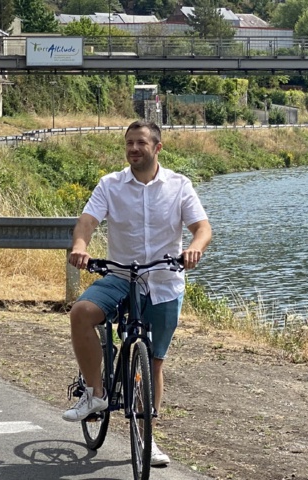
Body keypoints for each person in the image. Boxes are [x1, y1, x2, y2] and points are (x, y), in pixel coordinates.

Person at [64, 120, 212, 466]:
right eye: (129, 143)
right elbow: (87, 222)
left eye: (141, 143)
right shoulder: (111, 185)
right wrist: (80, 245)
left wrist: (195, 248)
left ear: (157, 147)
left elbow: (202, 227)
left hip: (163, 281)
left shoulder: (178, 185)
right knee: (82, 313)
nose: (133, 149)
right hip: (120, 275)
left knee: (154, 361)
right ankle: (95, 393)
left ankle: (148, 438)